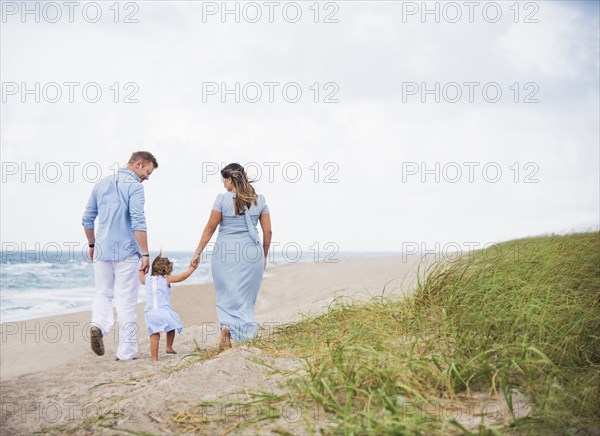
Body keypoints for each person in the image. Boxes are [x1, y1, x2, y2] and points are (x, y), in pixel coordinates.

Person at [82, 151, 158, 361]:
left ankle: (98, 324)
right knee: (126, 301)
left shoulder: (101, 183)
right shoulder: (135, 187)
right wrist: (145, 254)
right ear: (138, 164)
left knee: (103, 294)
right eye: (147, 172)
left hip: (102, 250)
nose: (147, 177)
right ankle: (126, 353)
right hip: (126, 252)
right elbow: (138, 222)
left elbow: (87, 218)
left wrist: (92, 244)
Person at [190, 163, 272, 350]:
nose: (223, 185)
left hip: (225, 252)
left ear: (230, 179)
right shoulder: (259, 200)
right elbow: (268, 232)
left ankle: (226, 327)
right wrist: (264, 256)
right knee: (245, 296)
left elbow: (210, 228)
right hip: (251, 253)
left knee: (226, 294)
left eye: (224, 180)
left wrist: (198, 252)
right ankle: (245, 335)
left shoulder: (222, 200)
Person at [139, 254, 196, 361]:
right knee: (171, 326)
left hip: (150, 312)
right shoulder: (166, 279)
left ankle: (154, 358)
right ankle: (169, 347)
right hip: (164, 311)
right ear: (168, 268)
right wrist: (192, 268)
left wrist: (141, 268)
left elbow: (141, 277)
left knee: (154, 335)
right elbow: (182, 277)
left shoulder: (147, 280)